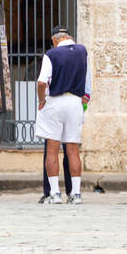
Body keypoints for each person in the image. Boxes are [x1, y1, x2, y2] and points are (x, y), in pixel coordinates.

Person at [35, 25, 90, 205]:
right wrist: (85, 99)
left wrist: (41, 100)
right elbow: (87, 81)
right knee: (73, 150)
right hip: (75, 102)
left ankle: (54, 193)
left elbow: (42, 82)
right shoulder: (82, 51)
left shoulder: (51, 54)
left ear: (55, 39)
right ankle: (76, 193)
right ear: (69, 36)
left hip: (55, 101)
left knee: (52, 148)